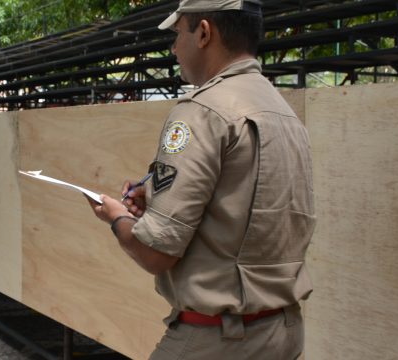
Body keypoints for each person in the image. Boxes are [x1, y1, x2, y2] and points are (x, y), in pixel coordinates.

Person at [86, 1, 316, 359]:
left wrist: (117, 218)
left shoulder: (202, 113)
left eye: (178, 34)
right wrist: (158, 204)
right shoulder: (284, 115)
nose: (174, 48)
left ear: (205, 33)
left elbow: (154, 253)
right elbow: (246, 218)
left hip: (217, 341)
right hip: (283, 333)